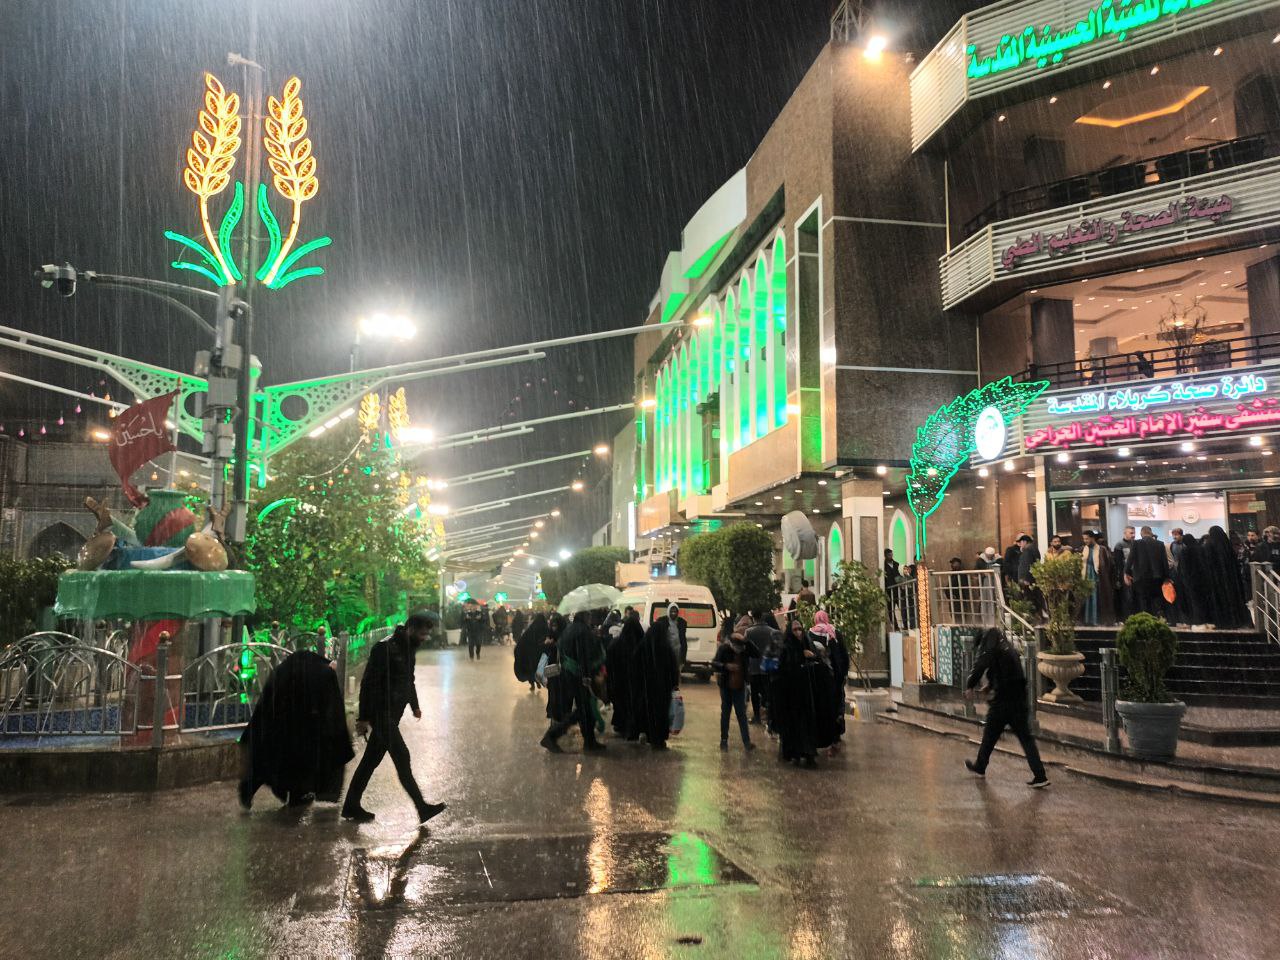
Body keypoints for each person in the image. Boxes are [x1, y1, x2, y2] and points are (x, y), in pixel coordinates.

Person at [342, 612, 447, 824]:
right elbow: (368, 683)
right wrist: (363, 717)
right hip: (381, 713)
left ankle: (351, 805)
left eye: (427, 634)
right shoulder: (384, 648)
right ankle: (422, 808)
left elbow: (409, 679)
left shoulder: (409, 648)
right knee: (402, 756)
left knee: (370, 760)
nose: (425, 638)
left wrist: (415, 705)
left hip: (393, 713)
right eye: (422, 634)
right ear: (410, 629)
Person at [239, 648, 353, 810]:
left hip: (281, 725)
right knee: (299, 764)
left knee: (271, 762)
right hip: (303, 727)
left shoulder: (284, 671)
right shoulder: (325, 674)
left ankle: (254, 789)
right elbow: (332, 712)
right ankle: (297, 795)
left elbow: (267, 703)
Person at [963, 628, 1049, 788]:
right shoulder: (1006, 646)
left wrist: (970, 685)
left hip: (1004, 700)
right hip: (1019, 699)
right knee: (1026, 738)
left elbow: (982, 663)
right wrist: (990, 685)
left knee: (990, 735)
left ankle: (980, 766)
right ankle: (1040, 775)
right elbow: (1001, 668)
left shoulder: (990, 645)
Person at [771, 618, 836, 767]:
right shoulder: (785, 647)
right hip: (792, 696)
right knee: (794, 725)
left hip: (808, 695)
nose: (798, 633)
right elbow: (782, 669)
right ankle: (795, 753)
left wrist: (813, 657)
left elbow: (819, 664)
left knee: (808, 724)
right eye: (795, 630)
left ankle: (809, 754)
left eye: (800, 629)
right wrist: (801, 657)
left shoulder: (808, 644)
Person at [541, 611, 607, 753]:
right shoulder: (582, 631)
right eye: (589, 616)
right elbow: (583, 654)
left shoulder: (570, 629)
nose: (590, 618)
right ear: (584, 617)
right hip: (578, 676)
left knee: (585, 710)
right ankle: (552, 736)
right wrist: (586, 676)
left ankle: (589, 742)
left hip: (569, 674)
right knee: (583, 710)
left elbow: (564, 648)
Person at [632, 616, 680, 750]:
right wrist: (673, 685)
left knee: (647, 712)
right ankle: (658, 740)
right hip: (662, 690)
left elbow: (634, 667)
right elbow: (673, 670)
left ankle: (647, 734)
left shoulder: (642, 646)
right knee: (660, 714)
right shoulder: (666, 648)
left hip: (646, 689)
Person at [713, 616, 760, 752]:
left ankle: (747, 742)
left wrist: (746, 641)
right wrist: (726, 666)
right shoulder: (724, 648)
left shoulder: (745, 648)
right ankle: (724, 740)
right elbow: (715, 663)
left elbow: (757, 653)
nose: (739, 650)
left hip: (739, 686)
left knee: (741, 714)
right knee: (725, 713)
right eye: (737, 647)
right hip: (726, 686)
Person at [810, 610, 848, 755]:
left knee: (822, 707)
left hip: (818, 677)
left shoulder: (810, 633)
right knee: (837, 706)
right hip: (835, 676)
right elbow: (843, 655)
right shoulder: (834, 633)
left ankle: (822, 737)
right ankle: (835, 738)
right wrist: (843, 674)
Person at [1201, 525, 1252, 628]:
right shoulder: (1227, 545)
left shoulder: (1209, 546)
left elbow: (1207, 564)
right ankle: (1236, 621)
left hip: (1216, 580)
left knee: (1219, 600)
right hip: (1230, 580)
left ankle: (1222, 622)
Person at [607, 608, 644, 741]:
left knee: (620, 704)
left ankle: (621, 726)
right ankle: (632, 729)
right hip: (635, 683)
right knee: (634, 706)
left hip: (618, 682)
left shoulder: (615, 644)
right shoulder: (642, 644)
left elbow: (609, 664)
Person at [745, 611, 781, 724]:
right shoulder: (772, 631)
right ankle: (769, 716)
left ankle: (757, 716)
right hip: (768, 667)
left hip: (753, 667)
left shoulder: (748, 631)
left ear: (753, 618)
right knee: (767, 692)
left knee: (754, 693)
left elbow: (745, 648)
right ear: (762, 617)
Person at [1125, 525, 1169, 617]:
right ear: (1151, 533)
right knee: (1156, 600)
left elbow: (1130, 559)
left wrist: (1126, 572)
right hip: (1156, 577)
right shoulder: (1160, 544)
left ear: (1141, 533)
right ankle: (1156, 618)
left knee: (1143, 600)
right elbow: (1164, 562)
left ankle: (1146, 619)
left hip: (1140, 578)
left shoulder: (1136, 543)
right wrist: (1166, 577)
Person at [1079, 530, 1115, 626]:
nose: (1085, 541)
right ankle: (1087, 620)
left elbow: (1108, 564)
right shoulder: (1082, 549)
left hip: (1098, 577)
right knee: (1087, 598)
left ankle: (1097, 620)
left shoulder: (1102, 549)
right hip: (1086, 576)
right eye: (1084, 539)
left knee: (1097, 597)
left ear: (1092, 538)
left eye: (1087, 539)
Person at [514, 612, 549, 692]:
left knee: (530, 668)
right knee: (537, 669)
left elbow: (523, 640)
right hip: (540, 654)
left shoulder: (532, 628)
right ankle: (537, 681)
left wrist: (519, 650)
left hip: (531, 654)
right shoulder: (545, 627)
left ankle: (532, 684)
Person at [1112, 526, 1137, 619]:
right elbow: (1118, 563)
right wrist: (1122, 575)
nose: (1133, 535)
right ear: (1125, 533)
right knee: (1127, 597)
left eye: (1134, 533)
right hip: (1125, 574)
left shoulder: (1136, 544)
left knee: (1135, 596)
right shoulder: (1119, 545)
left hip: (1136, 574)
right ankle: (1126, 617)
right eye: (1131, 533)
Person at [662, 603, 688, 677]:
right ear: (668, 611)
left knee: (676, 671)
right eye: (671, 611)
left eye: (675, 611)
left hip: (678, 650)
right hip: (666, 650)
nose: (673, 613)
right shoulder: (662, 621)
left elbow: (683, 639)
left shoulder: (682, 622)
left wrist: (683, 658)